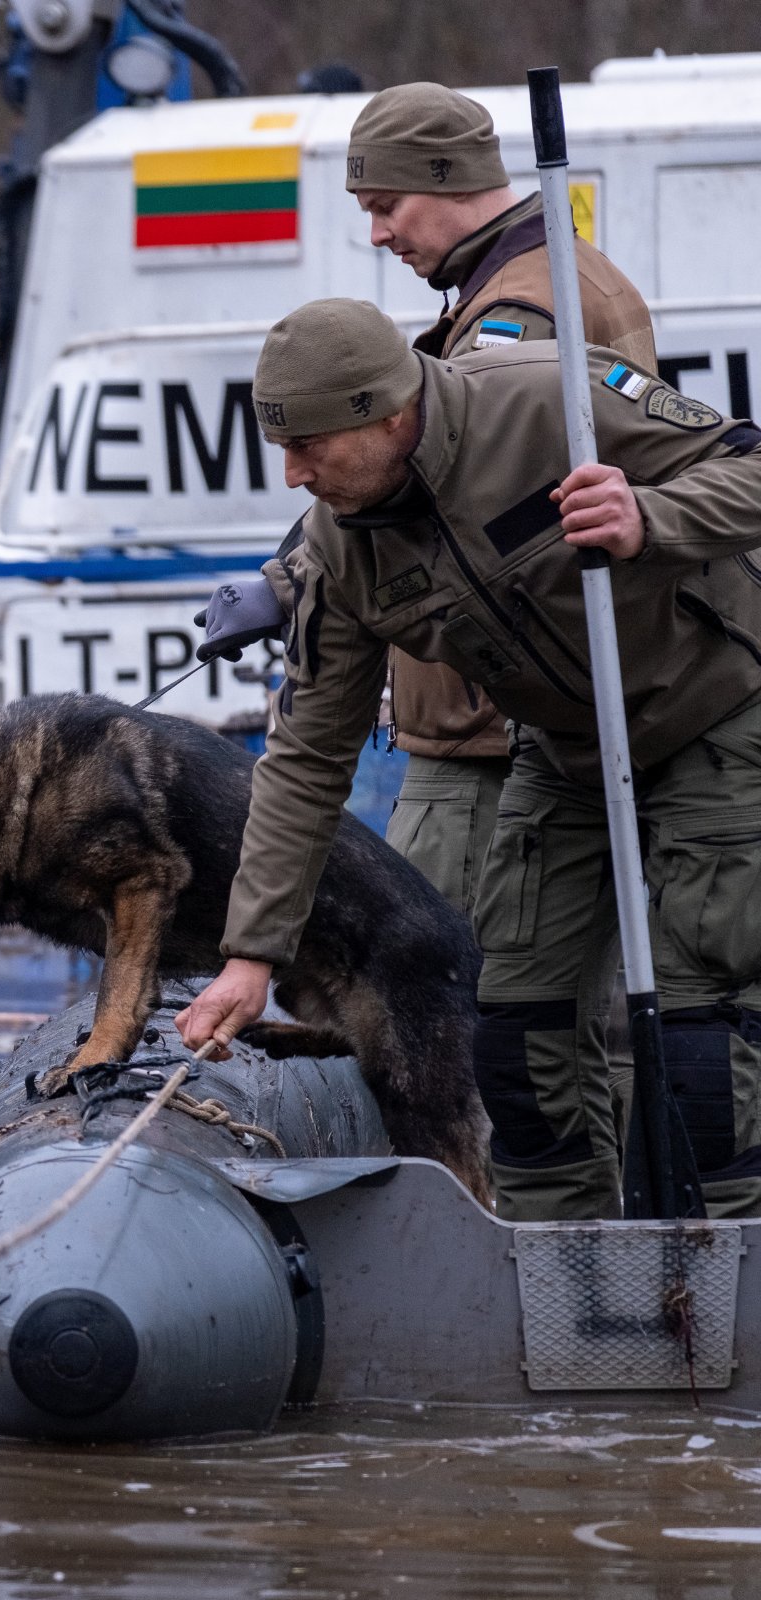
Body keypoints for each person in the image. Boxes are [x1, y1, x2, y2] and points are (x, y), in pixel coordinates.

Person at [178, 298, 761, 1221]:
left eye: (311, 448)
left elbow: (753, 470)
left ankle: (728, 1271)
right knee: (512, 1028)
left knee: (700, 1031)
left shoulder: (553, 398)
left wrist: (652, 514)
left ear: (387, 414)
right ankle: (558, 1265)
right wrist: (251, 954)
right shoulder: (339, 554)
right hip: (567, 747)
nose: (293, 477)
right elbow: (304, 763)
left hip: (719, 709)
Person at [345, 81, 655, 915]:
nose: (378, 234)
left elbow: (471, 504)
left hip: (487, 732)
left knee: (445, 990)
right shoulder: (570, 269)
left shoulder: (516, 311)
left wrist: (309, 579)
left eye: (387, 205)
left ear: (448, 178)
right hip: (533, 705)